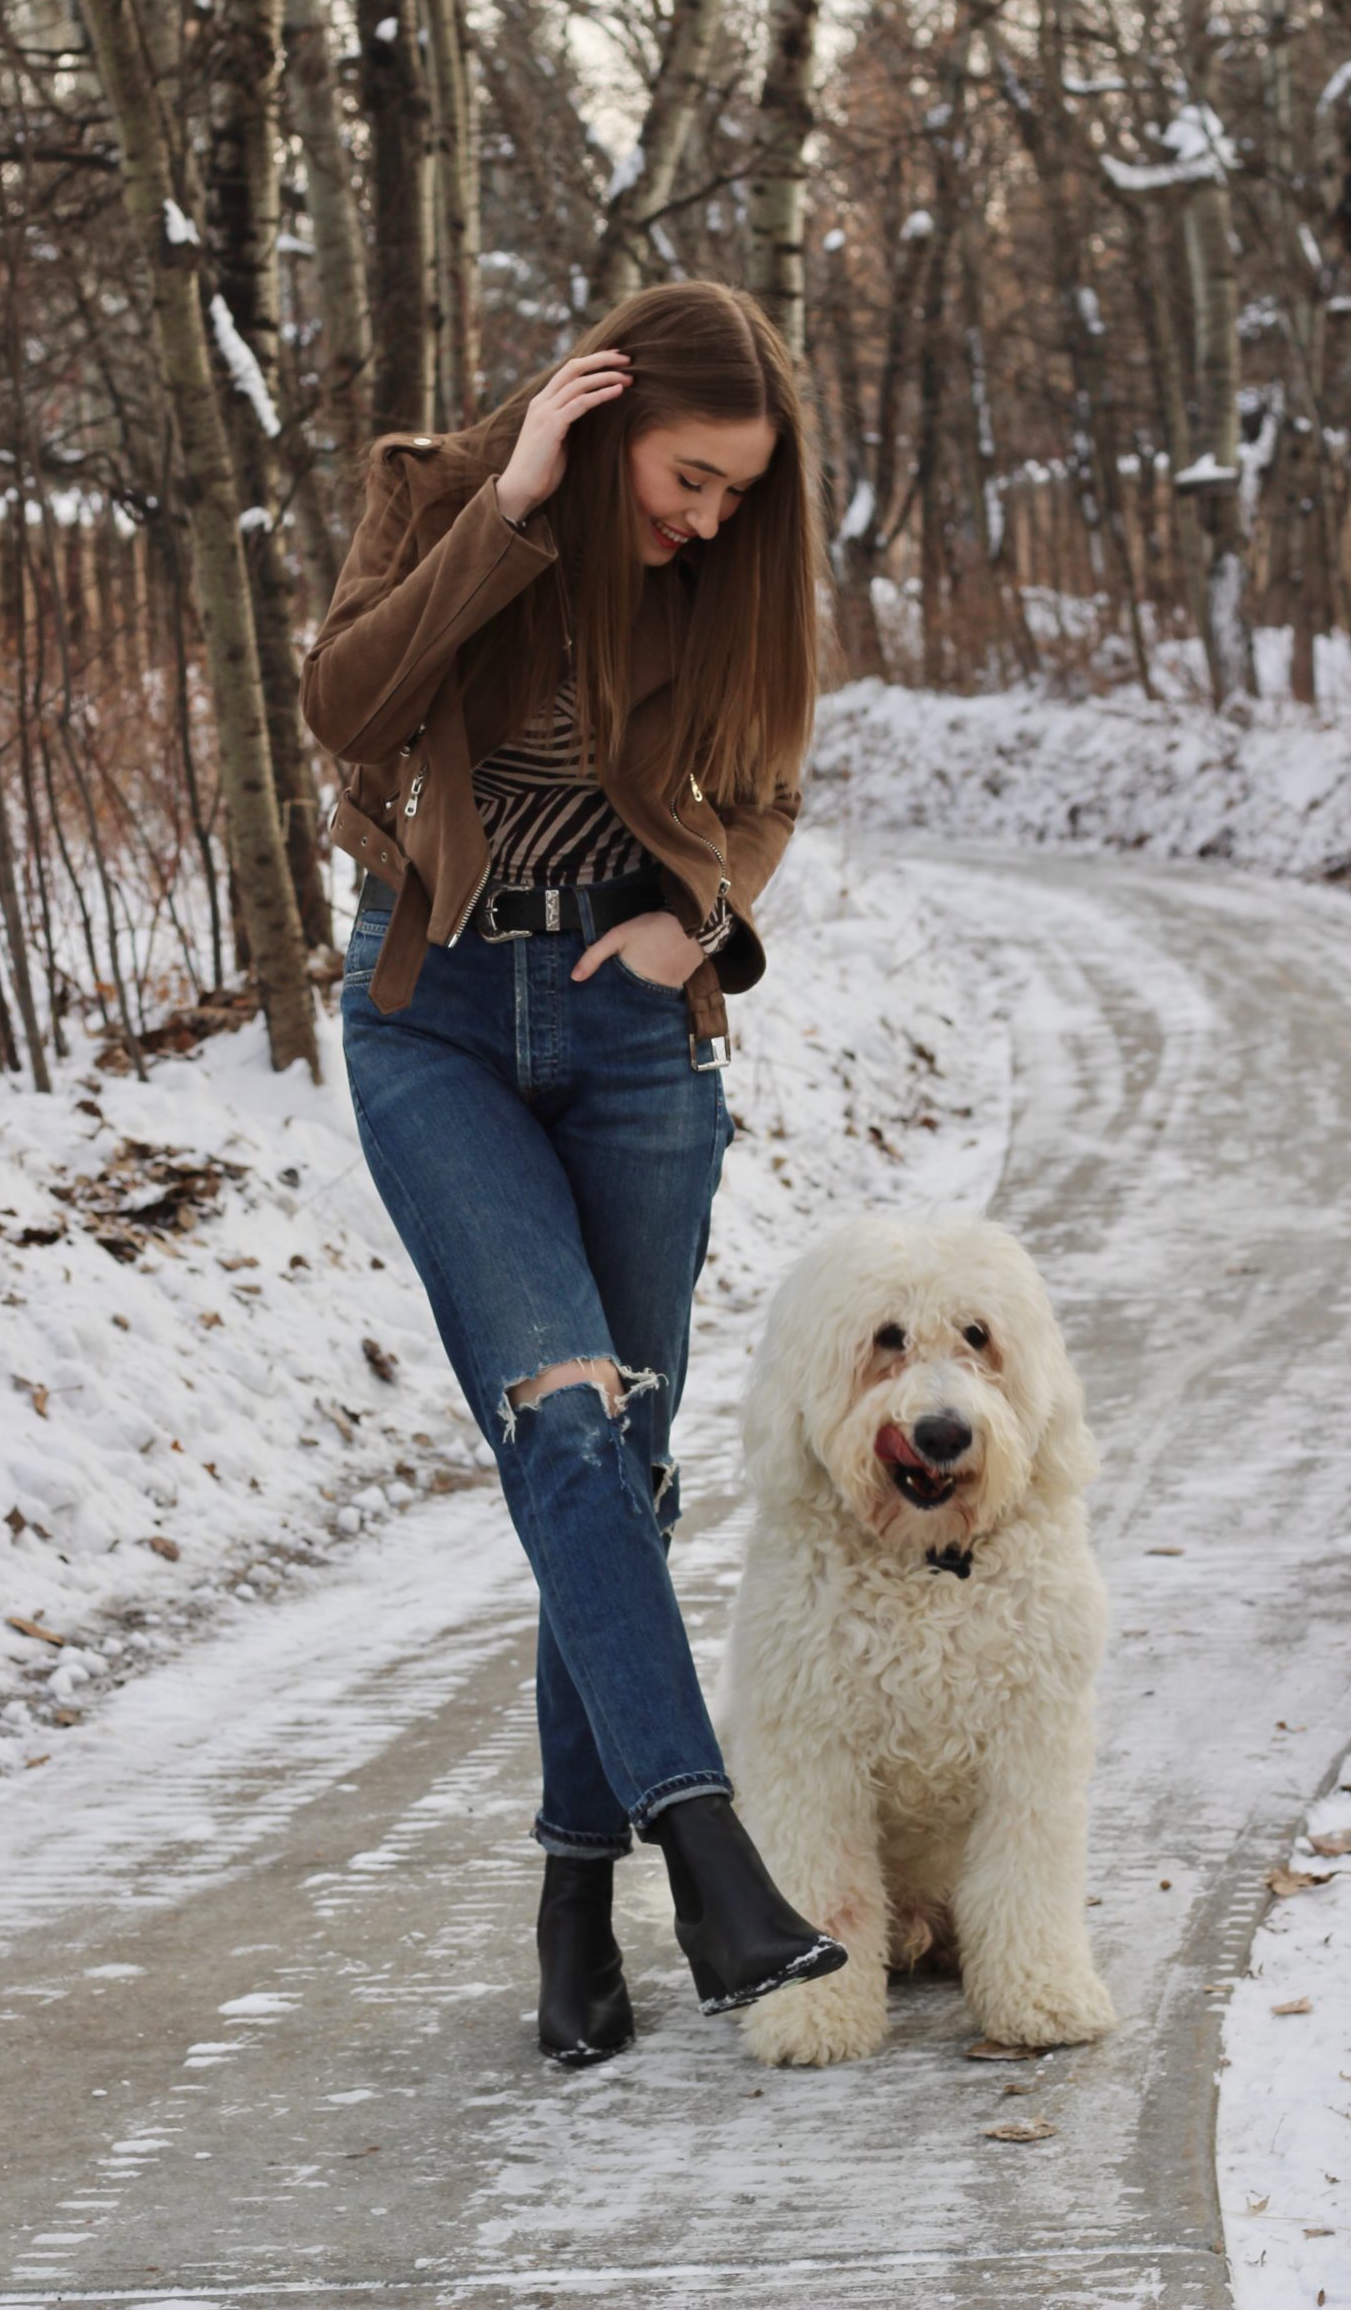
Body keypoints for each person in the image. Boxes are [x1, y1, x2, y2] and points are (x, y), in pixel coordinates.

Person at [301, 280, 846, 2066]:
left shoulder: (728, 575)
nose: (705, 519)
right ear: (607, 418)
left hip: (630, 1040)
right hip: (435, 1017)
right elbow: (348, 700)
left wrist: (700, 919)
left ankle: (571, 1889)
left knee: (621, 1462)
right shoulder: (451, 490)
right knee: (560, 1420)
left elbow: (761, 784)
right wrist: (510, 512)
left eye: (734, 498)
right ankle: (705, 1852)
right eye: (688, 478)